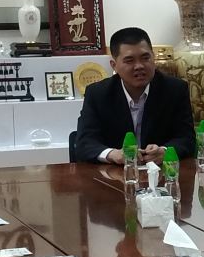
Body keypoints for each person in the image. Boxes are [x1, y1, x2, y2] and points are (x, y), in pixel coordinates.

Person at [74, 27, 196, 164]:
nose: (139, 66)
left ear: (153, 57)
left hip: (160, 172)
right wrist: (113, 154)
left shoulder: (175, 89)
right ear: (114, 65)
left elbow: (186, 138)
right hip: (115, 173)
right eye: (129, 60)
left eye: (145, 58)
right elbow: (84, 142)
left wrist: (165, 151)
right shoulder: (98, 94)